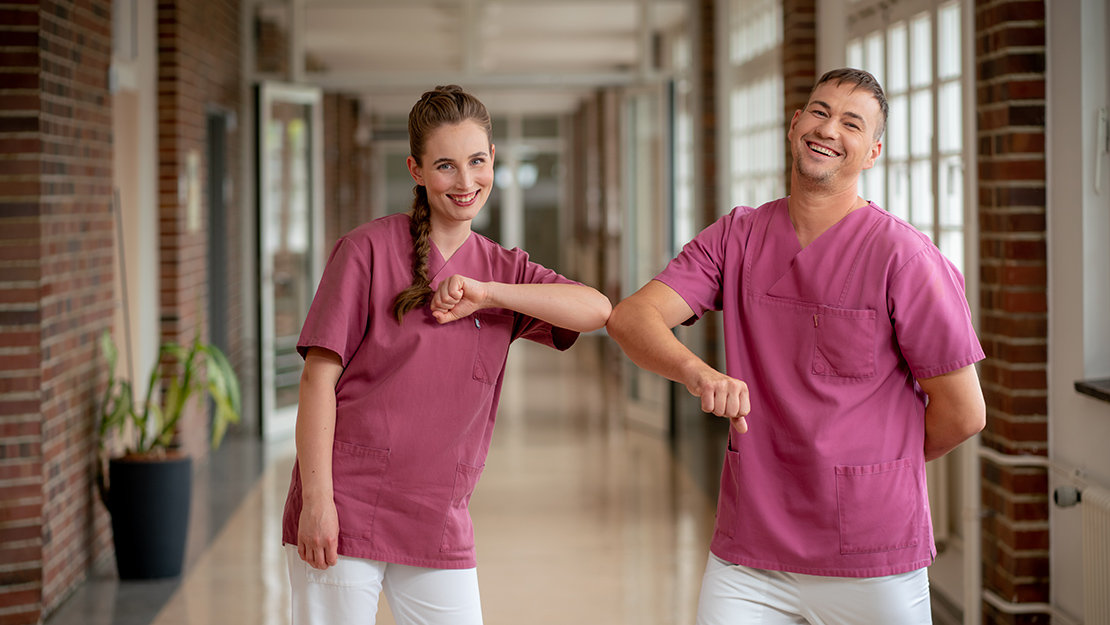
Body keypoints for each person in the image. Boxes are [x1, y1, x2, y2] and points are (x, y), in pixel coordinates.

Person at [606, 68, 986, 625]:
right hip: (751, 550)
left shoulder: (904, 258)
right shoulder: (738, 237)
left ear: (872, 152)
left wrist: (871, 463)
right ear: (794, 125)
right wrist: (697, 372)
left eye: (851, 123)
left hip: (871, 555)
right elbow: (631, 318)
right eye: (819, 111)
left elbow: (964, 412)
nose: (829, 128)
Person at [281, 84, 612, 625]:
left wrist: (490, 293)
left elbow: (597, 309)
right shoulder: (364, 250)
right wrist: (317, 502)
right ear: (415, 170)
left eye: (477, 161)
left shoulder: (505, 271)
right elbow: (319, 379)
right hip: (346, 502)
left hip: (438, 513)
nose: (465, 182)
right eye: (445, 166)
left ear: (494, 160)